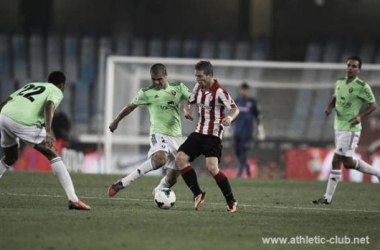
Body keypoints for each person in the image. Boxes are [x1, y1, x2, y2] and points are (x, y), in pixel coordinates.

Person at [0, 71, 91, 210]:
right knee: (53, 153)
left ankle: (73, 199)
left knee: (10, 157)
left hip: (4, 116)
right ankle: (73, 199)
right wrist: (48, 132)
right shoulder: (56, 91)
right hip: (22, 121)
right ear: (62, 85)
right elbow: (49, 106)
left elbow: (6, 102)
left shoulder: (31, 85)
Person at [108, 63, 192, 197]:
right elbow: (130, 107)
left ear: (166, 76)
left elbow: (192, 99)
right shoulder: (146, 92)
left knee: (172, 178)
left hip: (176, 136)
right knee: (160, 159)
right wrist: (116, 121)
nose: (156, 82)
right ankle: (123, 182)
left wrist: (187, 108)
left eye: (159, 79)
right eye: (154, 79)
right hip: (158, 133)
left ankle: (157, 191)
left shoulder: (178, 87)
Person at [312, 56, 379, 205]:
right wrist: (330, 106)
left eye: (354, 66)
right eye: (349, 65)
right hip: (339, 127)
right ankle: (377, 173)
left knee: (337, 160)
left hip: (351, 129)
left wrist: (360, 116)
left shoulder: (362, 86)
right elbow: (336, 97)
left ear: (359, 69)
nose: (350, 68)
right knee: (347, 162)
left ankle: (327, 197)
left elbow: (373, 105)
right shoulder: (339, 82)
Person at [175, 61, 240, 213]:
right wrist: (187, 110)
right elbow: (188, 102)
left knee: (212, 168)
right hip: (199, 133)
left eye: (200, 76)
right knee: (180, 158)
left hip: (213, 136)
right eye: (196, 76)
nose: (197, 80)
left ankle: (231, 200)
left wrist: (229, 119)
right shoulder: (198, 88)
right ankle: (198, 193)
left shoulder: (220, 91)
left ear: (210, 75)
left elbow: (235, 109)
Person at [233, 82, 265, 178]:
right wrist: (227, 127)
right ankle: (247, 168)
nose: (244, 91)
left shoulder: (252, 102)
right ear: (240, 90)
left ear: (248, 91)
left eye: (246, 89)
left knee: (243, 151)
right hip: (237, 131)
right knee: (237, 152)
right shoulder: (236, 101)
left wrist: (260, 129)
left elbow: (258, 116)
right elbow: (232, 115)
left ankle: (240, 173)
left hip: (247, 132)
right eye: (243, 89)